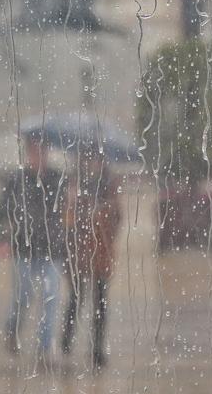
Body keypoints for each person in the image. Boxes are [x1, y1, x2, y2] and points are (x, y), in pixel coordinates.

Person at [0, 132, 66, 364]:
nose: (39, 156)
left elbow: (65, 211)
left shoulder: (57, 178)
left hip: (51, 250)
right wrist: (0, 240)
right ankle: (12, 331)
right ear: (28, 152)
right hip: (23, 248)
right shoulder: (17, 178)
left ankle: (44, 348)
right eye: (35, 151)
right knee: (23, 297)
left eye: (43, 151)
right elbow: (0, 212)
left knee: (50, 296)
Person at [60, 145, 122, 370]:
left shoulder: (109, 184)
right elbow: (67, 220)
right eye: (88, 157)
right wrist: (74, 207)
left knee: (100, 302)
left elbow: (118, 217)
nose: (92, 162)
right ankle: (66, 340)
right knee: (76, 299)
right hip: (78, 253)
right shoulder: (75, 183)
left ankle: (97, 349)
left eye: (96, 158)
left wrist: (102, 215)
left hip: (102, 253)